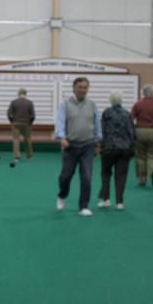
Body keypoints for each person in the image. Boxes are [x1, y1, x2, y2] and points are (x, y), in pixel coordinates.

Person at [55, 77, 101, 216]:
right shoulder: (65, 104)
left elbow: (97, 124)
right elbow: (60, 122)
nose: (82, 90)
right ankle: (62, 195)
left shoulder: (92, 104)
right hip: (70, 146)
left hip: (88, 146)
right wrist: (61, 137)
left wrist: (98, 142)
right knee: (65, 176)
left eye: (85, 87)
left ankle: (83, 206)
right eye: (80, 87)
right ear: (74, 88)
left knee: (86, 176)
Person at [97, 91, 135, 210]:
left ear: (110, 100)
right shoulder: (127, 114)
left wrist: (100, 146)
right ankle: (119, 203)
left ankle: (106, 200)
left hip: (109, 148)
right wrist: (131, 147)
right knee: (121, 176)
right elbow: (132, 132)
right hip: (124, 148)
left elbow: (102, 131)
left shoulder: (107, 113)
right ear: (121, 101)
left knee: (106, 173)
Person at [130, 84, 153, 188]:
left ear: (143, 93)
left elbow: (131, 117)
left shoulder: (137, 104)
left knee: (140, 156)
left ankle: (142, 179)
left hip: (140, 131)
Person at [7, 88, 36, 161]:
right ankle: (30, 156)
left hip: (16, 123)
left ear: (18, 94)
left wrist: (12, 121)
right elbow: (33, 115)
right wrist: (30, 123)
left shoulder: (14, 102)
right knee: (28, 140)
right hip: (26, 124)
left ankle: (16, 157)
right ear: (26, 94)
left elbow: (9, 113)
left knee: (16, 140)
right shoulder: (29, 103)